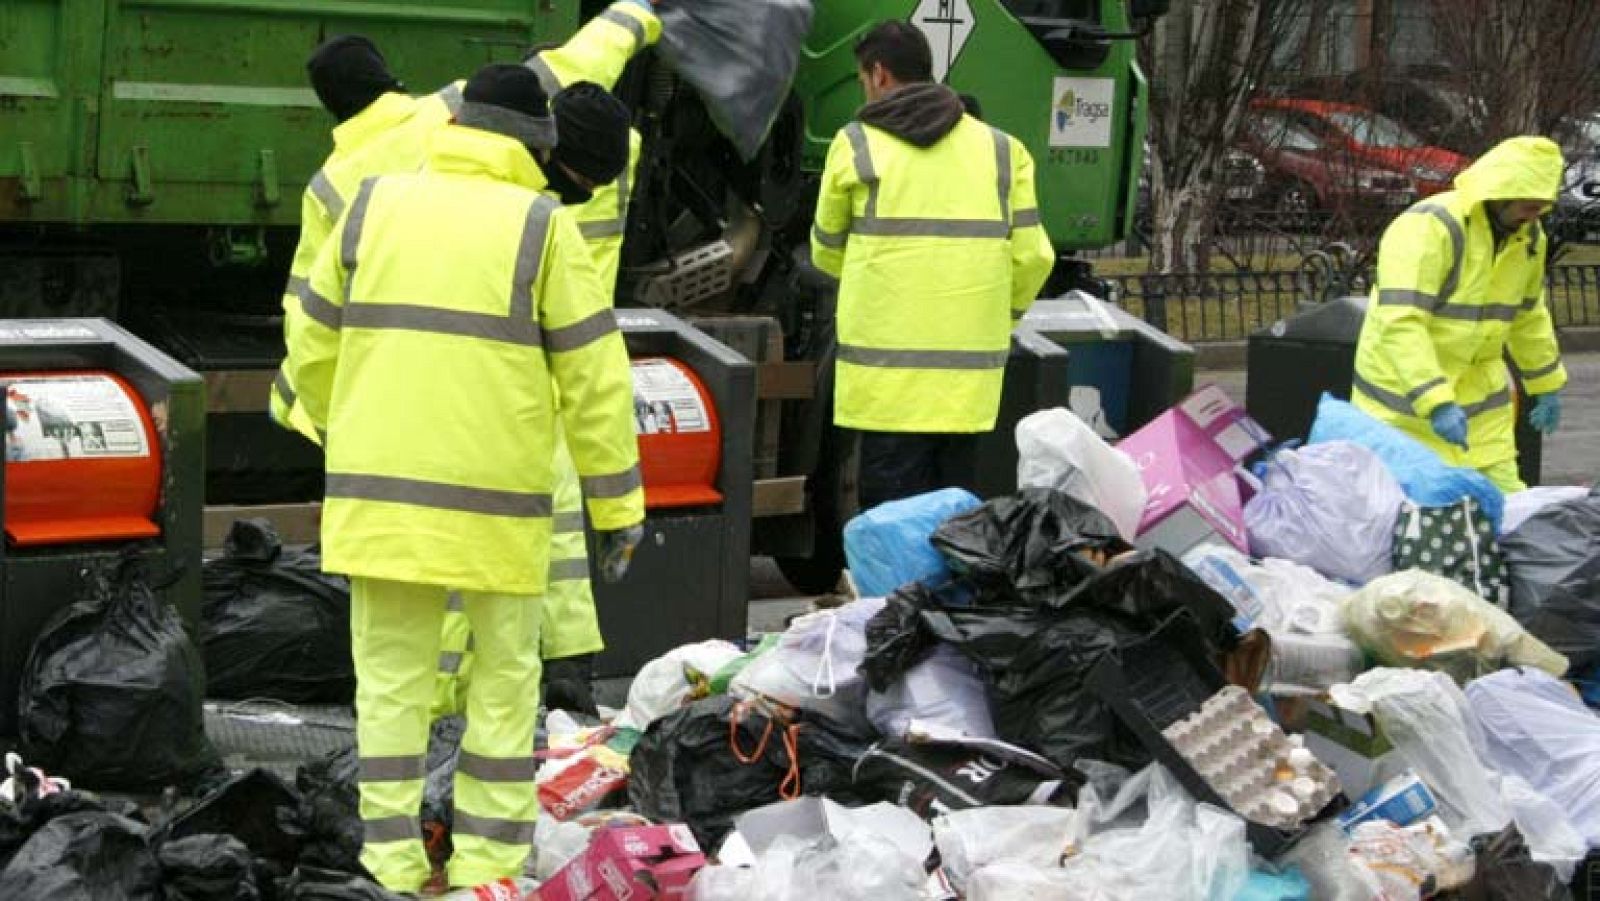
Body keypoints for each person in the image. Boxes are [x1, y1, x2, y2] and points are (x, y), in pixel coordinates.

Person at [280, 64, 644, 893]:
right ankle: (487, 865)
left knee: (390, 689)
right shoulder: (541, 228)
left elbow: (310, 343)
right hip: (497, 514)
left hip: (382, 505)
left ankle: (390, 864)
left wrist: (351, 429)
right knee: (504, 689)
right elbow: (596, 379)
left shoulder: (371, 206)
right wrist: (617, 505)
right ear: (535, 145)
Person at [810, 21, 1054, 510]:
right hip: (967, 387)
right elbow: (1034, 258)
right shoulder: (1003, 151)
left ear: (879, 74)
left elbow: (826, 250)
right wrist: (996, 318)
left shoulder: (856, 145)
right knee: (956, 521)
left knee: (894, 524)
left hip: (884, 384)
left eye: (862, 78)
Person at [1353, 136, 1568, 492]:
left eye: (1542, 208)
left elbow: (1528, 316)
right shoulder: (1429, 227)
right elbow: (1402, 321)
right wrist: (1436, 402)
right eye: (1530, 206)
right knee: (1421, 510)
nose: (1535, 216)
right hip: (1404, 408)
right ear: (1502, 193)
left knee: (1507, 504)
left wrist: (1546, 385)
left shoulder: (1528, 238)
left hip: (1480, 410)